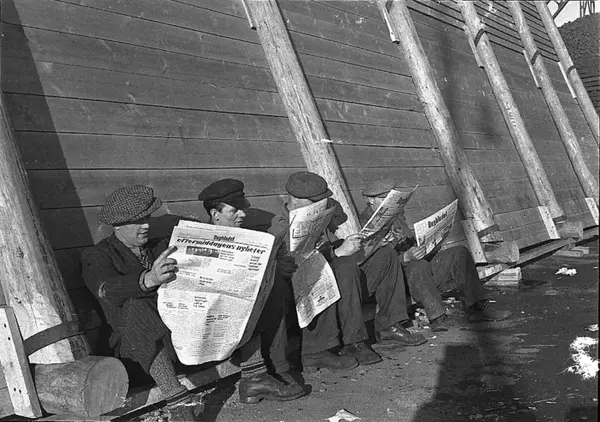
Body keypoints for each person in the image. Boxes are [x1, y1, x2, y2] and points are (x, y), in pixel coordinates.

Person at [269, 172, 427, 371]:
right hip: (307, 296)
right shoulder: (281, 226)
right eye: (315, 202)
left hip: (341, 286)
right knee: (344, 265)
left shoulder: (318, 218)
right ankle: (351, 342)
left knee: (385, 254)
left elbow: (329, 248)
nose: (321, 206)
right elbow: (293, 268)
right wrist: (336, 252)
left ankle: (390, 325)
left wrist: (361, 245)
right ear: (296, 200)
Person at [81, 185, 195, 421]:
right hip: (135, 354)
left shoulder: (160, 247)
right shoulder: (97, 255)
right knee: (136, 305)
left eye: (147, 218)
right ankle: (177, 399)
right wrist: (148, 279)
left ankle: (254, 374)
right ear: (117, 225)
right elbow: (106, 289)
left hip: (177, 341)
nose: (146, 225)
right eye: (137, 221)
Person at [197, 179, 307, 404]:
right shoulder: (202, 239)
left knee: (276, 285)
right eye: (234, 211)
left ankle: (277, 368)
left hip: (248, 311)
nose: (242, 215)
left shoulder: (244, 234)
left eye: (242, 209)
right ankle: (256, 374)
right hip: (216, 316)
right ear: (215, 214)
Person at [359, 179, 512, 333]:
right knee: (417, 265)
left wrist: (430, 243)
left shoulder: (396, 216)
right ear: (370, 200)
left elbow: (408, 243)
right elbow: (372, 264)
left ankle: (476, 307)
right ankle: (437, 317)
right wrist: (405, 257)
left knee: (460, 252)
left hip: (420, 276)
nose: (391, 203)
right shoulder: (365, 224)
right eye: (384, 198)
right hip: (397, 283)